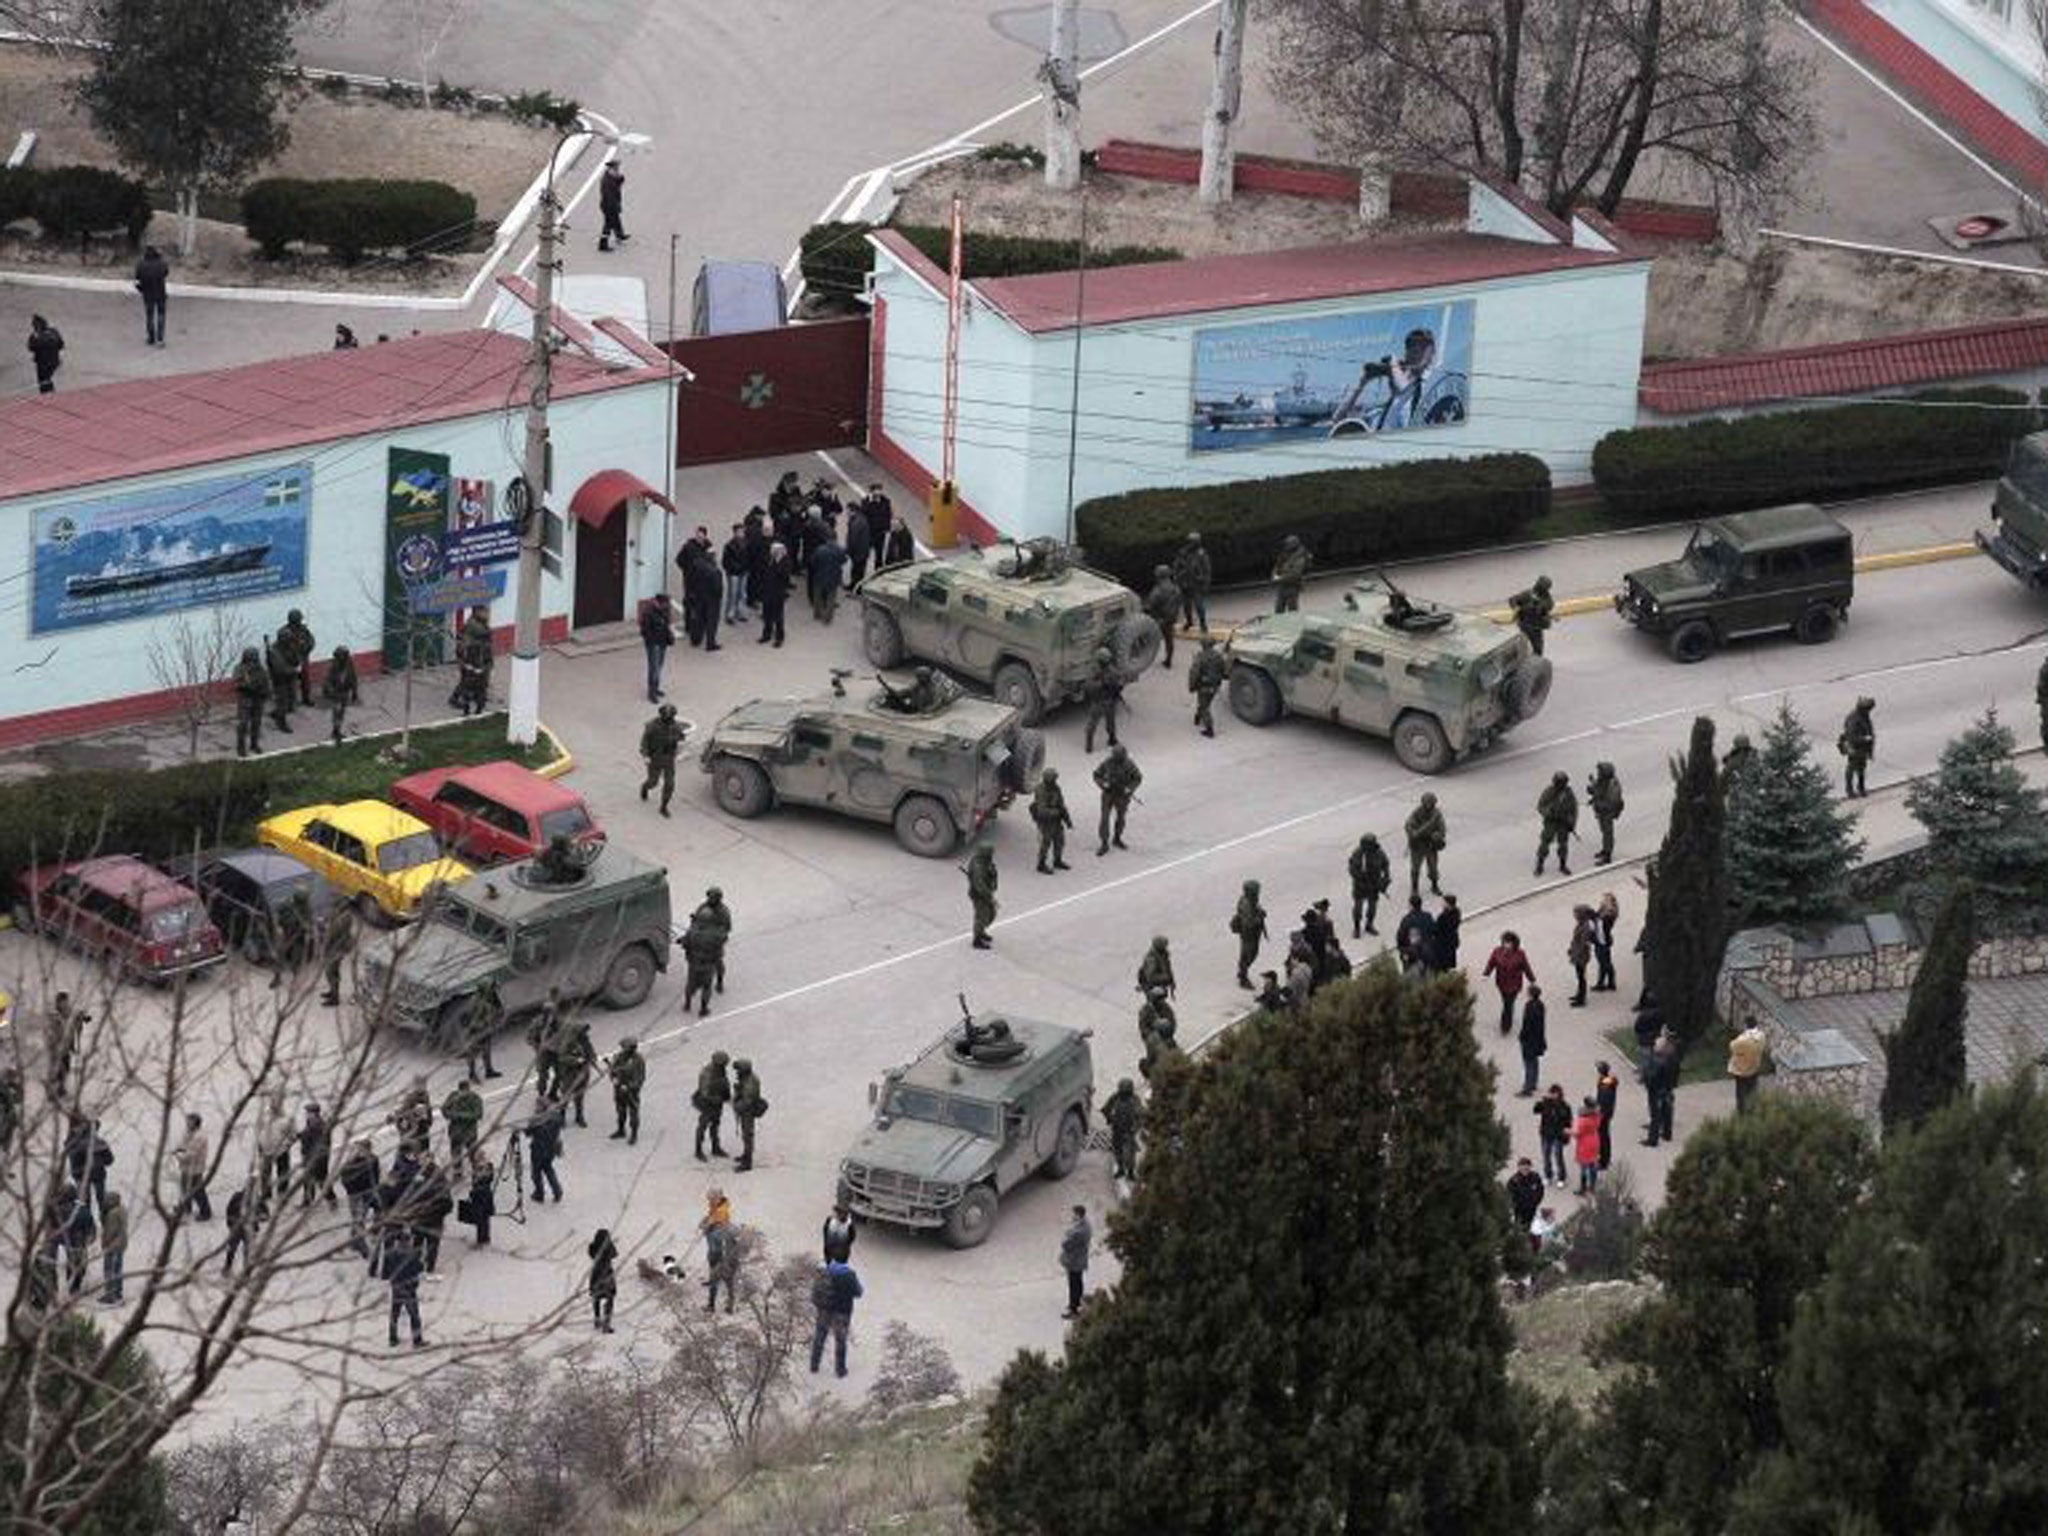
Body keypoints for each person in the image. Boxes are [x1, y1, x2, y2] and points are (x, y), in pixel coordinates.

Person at [809, 1255, 864, 1376]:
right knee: (840, 1340)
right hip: (842, 1312)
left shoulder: (823, 1273)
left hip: (824, 1310)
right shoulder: (849, 1275)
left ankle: (814, 1365)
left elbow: (814, 1294)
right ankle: (840, 1369)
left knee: (819, 1337)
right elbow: (858, 1292)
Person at [638, 702, 689, 818]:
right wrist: (645, 755)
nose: (670, 720)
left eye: (671, 717)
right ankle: (645, 788)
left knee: (670, 784)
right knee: (653, 782)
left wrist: (682, 747)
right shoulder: (652, 726)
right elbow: (644, 741)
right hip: (655, 758)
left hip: (669, 759)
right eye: (667, 718)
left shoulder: (675, 726)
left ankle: (663, 807)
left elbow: (682, 737)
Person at [1484, 930, 1536, 1037]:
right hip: (1501, 983)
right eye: (1504, 942)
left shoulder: (1520, 954)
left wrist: (1532, 979)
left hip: (1514, 985)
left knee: (1508, 1004)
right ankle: (1506, 1020)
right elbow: (1491, 963)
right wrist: (1486, 974)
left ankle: (1505, 1026)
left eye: (1509, 942)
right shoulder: (1497, 951)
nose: (1506, 945)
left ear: (1514, 943)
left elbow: (1526, 967)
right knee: (1506, 1002)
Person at [1093, 743, 1142, 855]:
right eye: (1115, 756)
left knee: (1121, 818)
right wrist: (1103, 784)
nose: (1117, 759)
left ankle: (1117, 838)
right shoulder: (1107, 762)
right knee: (1104, 819)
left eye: (1119, 757)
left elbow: (1138, 778)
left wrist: (1129, 789)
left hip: (1122, 796)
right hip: (1108, 794)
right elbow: (1096, 775)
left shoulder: (1129, 764)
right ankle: (1104, 843)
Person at [384, 1226, 425, 1349]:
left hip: (396, 1288)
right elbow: (419, 1268)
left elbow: (386, 1272)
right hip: (409, 1288)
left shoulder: (391, 1254)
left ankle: (392, 1338)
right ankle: (417, 1340)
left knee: (394, 1314)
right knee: (414, 1315)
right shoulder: (412, 1255)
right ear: (407, 1241)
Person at [339, 1138, 379, 1257]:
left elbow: (375, 1177)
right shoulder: (351, 1162)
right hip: (355, 1194)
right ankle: (361, 1247)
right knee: (358, 1219)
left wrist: (373, 1190)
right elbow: (344, 1177)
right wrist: (350, 1190)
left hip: (365, 1193)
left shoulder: (373, 1160)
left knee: (359, 1219)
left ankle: (354, 1241)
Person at [1346, 832, 1391, 939]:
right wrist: (1361, 878)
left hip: (1374, 884)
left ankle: (1369, 925)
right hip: (1360, 885)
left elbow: (1386, 865)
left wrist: (1385, 879)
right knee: (1358, 908)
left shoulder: (1379, 853)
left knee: (1372, 907)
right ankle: (1356, 928)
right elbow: (1352, 869)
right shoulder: (1357, 853)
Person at [701, 1189, 738, 1313]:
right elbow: (710, 1219)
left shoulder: (721, 1224)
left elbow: (725, 1245)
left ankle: (723, 1306)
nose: (709, 1201)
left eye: (711, 1199)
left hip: (723, 1258)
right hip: (716, 1254)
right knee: (718, 1279)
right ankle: (718, 1305)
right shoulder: (716, 1210)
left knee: (726, 1280)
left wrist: (724, 1261)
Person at [1030, 767, 1073, 873]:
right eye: (1054, 778)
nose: (1055, 780)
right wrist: (1056, 812)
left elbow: (1061, 804)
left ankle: (1057, 860)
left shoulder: (1056, 788)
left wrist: (1067, 820)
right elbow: (1041, 810)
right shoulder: (1041, 791)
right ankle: (1041, 864)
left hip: (1056, 821)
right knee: (1046, 843)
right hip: (1045, 822)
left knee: (1060, 841)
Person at [1536, 770, 1578, 876]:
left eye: (1562, 783)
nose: (1561, 785)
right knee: (1544, 844)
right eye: (1559, 782)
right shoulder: (1549, 792)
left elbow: (1574, 809)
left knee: (1563, 845)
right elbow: (1541, 806)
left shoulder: (1568, 793)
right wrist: (1549, 812)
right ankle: (1540, 865)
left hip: (1563, 823)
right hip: (1551, 822)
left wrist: (1572, 823)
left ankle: (1563, 865)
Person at [452, 610, 493, 716]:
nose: (487, 615)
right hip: (472, 663)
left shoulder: (471, 626)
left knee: (467, 682)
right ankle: (466, 704)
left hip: (472, 662)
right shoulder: (478, 632)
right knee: (471, 684)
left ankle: (463, 701)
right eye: (485, 613)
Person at [693, 1051, 732, 1162]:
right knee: (703, 1126)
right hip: (707, 1104)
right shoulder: (706, 1073)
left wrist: (726, 1096)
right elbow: (704, 1092)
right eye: (723, 1063)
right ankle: (698, 1150)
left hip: (717, 1102)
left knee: (715, 1125)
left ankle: (716, 1148)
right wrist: (715, 1099)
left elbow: (724, 1082)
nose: (725, 1066)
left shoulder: (721, 1070)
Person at [1082, 646, 1123, 754]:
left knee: (1111, 722)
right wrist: (1102, 684)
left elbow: (1118, 678)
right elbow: (1088, 685)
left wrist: (1117, 686)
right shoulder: (1094, 670)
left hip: (1110, 700)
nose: (1106, 662)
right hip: (1099, 701)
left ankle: (1112, 739)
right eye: (1104, 660)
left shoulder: (1111, 669)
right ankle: (1089, 745)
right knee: (1092, 724)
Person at [1642, 1030, 1679, 1147]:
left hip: (1656, 1091)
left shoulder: (1658, 1061)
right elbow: (1676, 1073)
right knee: (1667, 1111)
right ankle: (1667, 1134)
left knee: (1655, 1114)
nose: (1654, 1047)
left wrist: (1646, 1077)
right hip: (1668, 1088)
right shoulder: (1673, 1058)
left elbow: (1651, 1077)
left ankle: (1652, 1139)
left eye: (1656, 1045)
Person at [1404, 793, 1446, 897]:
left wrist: (1436, 836)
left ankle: (1434, 886)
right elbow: (1408, 824)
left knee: (1433, 868)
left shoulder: (1437, 815)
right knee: (1415, 868)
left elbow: (1442, 830)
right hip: (1418, 845)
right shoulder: (1417, 812)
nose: (1429, 805)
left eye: (1431, 803)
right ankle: (1414, 889)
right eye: (1427, 803)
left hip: (1430, 845)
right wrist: (1413, 833)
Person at [232, 645, 269, 757]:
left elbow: (265, 680)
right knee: (243, 724)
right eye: (251, 657)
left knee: (256, 723)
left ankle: (254, 744)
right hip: (245, 700)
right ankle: (241, 747)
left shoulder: (260, 668)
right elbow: (237, 683)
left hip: (258, 699)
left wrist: (265, 692)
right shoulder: (239, 668)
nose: (253, 660)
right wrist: (248, 686)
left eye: (255, 657)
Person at [1143, 564, 1182, 669]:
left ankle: (1144, 659)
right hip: (1171, 618)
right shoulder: (1175, 588)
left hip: (1159, 619)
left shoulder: (1158, 590)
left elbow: (1150, 605)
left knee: (1147, 638)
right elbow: (1179, 602)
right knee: (1169, 640)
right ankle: (1169, 660)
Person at [731, 1058, 767, 1172]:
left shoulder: (750, 1082)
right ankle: (745, 1155)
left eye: (739, 1070)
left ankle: (747, 1162)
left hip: (748, 1111)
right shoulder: (746, 1078)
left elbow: (748, 1101)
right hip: (745, 1110)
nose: (737, 1072)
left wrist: (737, 1106)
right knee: (745, 1134)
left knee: (747, 1135)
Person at [608, 1035, 646, 1144]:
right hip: (619, 1088)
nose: (624, 1049)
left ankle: (634, 1134)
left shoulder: (638, 1060)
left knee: (633, 1113)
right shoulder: (619, 1056)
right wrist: (614, 1079)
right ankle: (621, 1130)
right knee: (620, 1111)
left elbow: (640, 1077)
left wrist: (629, 1087)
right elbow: (612, 1070)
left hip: (631, 1092)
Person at [1172, 530, 1212, 633]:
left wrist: (1206, 583)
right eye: (1192, 541)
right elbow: (1176, 566)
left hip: (1196, 583)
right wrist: (1177, 579)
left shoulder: (1201, 553)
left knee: (1199, 605)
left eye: (1195, 541)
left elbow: (1207, 569)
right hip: (1185, 583)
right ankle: (1189, 622)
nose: (1193, 543)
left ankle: (1203, 624)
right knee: (1186, 605)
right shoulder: (1183, 552)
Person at [317, 900, 355, 1008]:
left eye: (335, 907)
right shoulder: (346, 915)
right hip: (339, 948)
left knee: (331, 972)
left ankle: (334, 998)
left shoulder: (341, 919)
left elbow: (331, 935)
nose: (333, 909)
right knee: (334, 972)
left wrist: (322, 927)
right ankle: (333, 992)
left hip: (336, 949)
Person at [640, 592, 676, 703]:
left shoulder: (664, 611)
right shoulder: (649, 613)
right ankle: (651, 692)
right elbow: (645, 630)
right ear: (660, 602)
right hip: (653, 644)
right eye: (667, 603)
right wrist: (651, 641)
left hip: (662, 643)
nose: (668, 606)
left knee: (659, 666)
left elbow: (668, 625)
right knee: (653, 668)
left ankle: (656, 688)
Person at [1103, 1078, 1143, 1181]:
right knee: (1118, 1151)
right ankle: (1121, 1170)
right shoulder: (1115, 1097)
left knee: (1130, 1153)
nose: (1124, 1093)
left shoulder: (1135, 1099)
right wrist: (1110, 1119)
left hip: (1129, 1130)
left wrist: (1136, 1127)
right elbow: (1105, 1109)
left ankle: (1130, 1172)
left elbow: (1140, 1114)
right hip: (1117, 1128)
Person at [1231, 879, 1267, 989]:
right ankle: (1243, 977)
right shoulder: (1247, 905)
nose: (1258, 892)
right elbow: (1248, 924)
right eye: (1256, 890)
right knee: (1249, 955)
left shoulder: (1249, 899)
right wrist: (1259, 917)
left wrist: (1260, 912)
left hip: (1251, 934)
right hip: (1249, 935)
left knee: (1247, 955)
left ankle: (1242, 971)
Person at [527, 1096, 564, 1203]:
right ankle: (557, 1191)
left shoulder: (536, 1119)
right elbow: (561, 1123)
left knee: (536, 1173)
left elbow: (528, 1132)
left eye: (537, 1105)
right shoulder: (555, 1116)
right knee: (549, 1169)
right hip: (551, 1149)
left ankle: (539, 1193)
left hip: (538, 1150)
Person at [1187, 636, 1227, 736]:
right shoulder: (1218, 656)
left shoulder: (1200, 656)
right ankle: (1198, 717)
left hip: (1204, 686)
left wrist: (1191, 686)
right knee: (1206, 703)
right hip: (1215, 685)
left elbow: (1194, 673)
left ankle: (1209, 729)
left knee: (1205, 706)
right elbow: (1224, 670)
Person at [1587, 762, 1624, 865]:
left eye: (1600, 771)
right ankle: (1604, 850)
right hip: (1601, 811)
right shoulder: (1603, 781)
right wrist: (1592, 789)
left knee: (1608, 833)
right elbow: (1598, 788)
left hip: (1607, 812)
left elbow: (1611, 802)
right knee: (1604, 831)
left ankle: (1607, 856)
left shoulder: (1613, 785)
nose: (1598, 773)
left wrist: (1599, 803)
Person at [1534, 1084, 1572, 1188]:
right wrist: (1542, 1100)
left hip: (1558, 1134)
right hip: (1546, 1134)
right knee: (1546, 1156)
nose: (1553, 1095)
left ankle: (1561, 1177)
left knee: (1558, 1156)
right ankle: (1548, 1175)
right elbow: (1536, 1110)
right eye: (1552, 1093)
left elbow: (1568, 1121)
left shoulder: (1564, 1106)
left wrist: (1567, 1134)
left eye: (1555, 1093)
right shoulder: (1546, 1104)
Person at [1838, 696, 1876, 798]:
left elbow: (1869, 730)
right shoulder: (1854, 718)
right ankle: (1850, 791)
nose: (1869, 711)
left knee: (1861, 769)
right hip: (1854, 747)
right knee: (1852, 768)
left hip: (1862, 748)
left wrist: (1870, 750)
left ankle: (1861, 788)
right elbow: (1851, 736)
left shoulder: (1864, 716)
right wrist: (1865, 739)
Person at [1058, 1204, 1092, 1318]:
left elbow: (1066, 1244)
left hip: (1074, 1261)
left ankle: (1074, 1309)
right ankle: (1077, 1304)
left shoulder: (1079, 1231)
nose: (1072, 1216)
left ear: (1078, 1215)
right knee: (1078, 1282)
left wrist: (1066, 1236)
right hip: (1079, 1259)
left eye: (1073, 1214)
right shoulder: (1086, 1225)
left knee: (1074, 1285)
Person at [297, 1102, 333, 1208]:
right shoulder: (311, 1123)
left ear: (314, 1113)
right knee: (309, 1180)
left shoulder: (319, 1126)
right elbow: (305, 1134)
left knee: (320, 1180)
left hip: (318, 1157)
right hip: (310, 1156)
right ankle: (308, 1200)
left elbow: (320, 1142)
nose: (306, 1114)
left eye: (308, 1112)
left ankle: (331, 1198)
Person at [322, 645, 359, 746]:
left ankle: (336, 730)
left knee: (341, 712)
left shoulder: (349, 663)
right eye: (342, 656)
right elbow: (327, 682)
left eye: (346, 656)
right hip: (336, 693)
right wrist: (332, 693)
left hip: (345, 691)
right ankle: (336, 732)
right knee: (337, 712)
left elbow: (353, 677)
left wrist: (355, 692)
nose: (344, 658)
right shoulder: (332, 666)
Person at [459, 1146, 496, 1247]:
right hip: (482, 1195)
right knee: (484, 1218)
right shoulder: (478, 1166)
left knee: (482, 1218)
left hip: (482, 1196)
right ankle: (484, 1238)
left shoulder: (486, 1166)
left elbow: (486, 1180)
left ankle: (482, 1239)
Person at [442, 1078, 483, 1167]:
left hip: (469, 1131)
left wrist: (459, 1116)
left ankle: (476, 1171)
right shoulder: (453, 1096)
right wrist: (454, 1115)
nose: (463, 1093)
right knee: (456, 1155)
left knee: (473, 1154)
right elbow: (444, 1110)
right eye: (461, 1091)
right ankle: (457, 1173)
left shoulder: (475, 1098)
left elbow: (478, 1114)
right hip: (456, 1131)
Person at [756, 542, 791, 646]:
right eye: (773, 551)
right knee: (767, 615)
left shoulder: (786, 562)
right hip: (767, 592)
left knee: (778, 617)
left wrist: (778, 562)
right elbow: (762, 572)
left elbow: (784, 575)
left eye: (775, 551)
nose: (773, 553)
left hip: (778, 593)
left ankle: (779, 637)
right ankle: (766, 634)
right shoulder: (768, 560)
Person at [1728, 1022, 1768, 1114]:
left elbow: (1732, 1046)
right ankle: (1752, 1109)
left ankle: (1742, 1112)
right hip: (1754, 1067)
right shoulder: (1761, 1036)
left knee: (1741, 1092)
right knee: (1752, 1089)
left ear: (1746, 1025)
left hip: (1741, 1070)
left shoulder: (1743, 1039)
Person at [1510, 575, 1555, 655]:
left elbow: (1548, 606)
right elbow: (1513, 600)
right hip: (1524, 624)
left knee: (1538, 648)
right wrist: (1516, 608)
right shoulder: (1528, 594)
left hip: (1535, 627)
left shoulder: (1547, 599)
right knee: (1522, 646)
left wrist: (1538, 606)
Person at [966, 840, 998, 950]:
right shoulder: (978, 867)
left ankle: (981, 932)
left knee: (990, 914)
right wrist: (990, 897)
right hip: (980, 895)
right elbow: (980, 886)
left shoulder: (984, 861)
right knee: (981, 917)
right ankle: (977, 940)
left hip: (985, 893)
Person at [97, 1190, 127, 1304]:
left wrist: (104, 1244)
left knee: (110, 1269)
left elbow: (110, 1231)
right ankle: (118, 1292)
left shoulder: (112, 1214)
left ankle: (111, 1294)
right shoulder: (122, 1210)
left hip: (113, 1245)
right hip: (121, 1243)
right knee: (118, 1269)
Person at [1394, 895, 1435, 976]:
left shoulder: (1407, 920)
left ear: (1411, 906)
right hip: (1427, 952)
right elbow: (1434, 931)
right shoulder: (1428, 916)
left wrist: (1402, 951)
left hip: (1412, 954)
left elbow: (1400, 937)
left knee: (1411, 978)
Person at [588, 1229, 619, 1333]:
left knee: (596, 1297)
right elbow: (615, 1254)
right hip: (607, 1273)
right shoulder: (609, 1247)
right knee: (610, 1297)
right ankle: (606, 1323)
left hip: (596, 1274)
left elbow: (591, 1254)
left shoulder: (592, 1246)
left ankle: (597, 1319)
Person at [1271, 533, 1311, 612]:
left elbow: (1295, 574)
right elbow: (1277, 565)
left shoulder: (1300, 557)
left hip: (1292, 586)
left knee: (1292, 609)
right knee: (1278, 608)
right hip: (1282, 585)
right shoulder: (1285, 554)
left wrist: (1280, 578)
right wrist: (1274, 575)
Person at [1573, 1096, 1603, 1195]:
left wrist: (1567, 1131)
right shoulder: (1597, 1116)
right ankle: (1592, 1187)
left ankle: (1583, 1188)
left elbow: (1578, 1133)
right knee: (1593, 1164)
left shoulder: (1584, 1119)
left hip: (1584, 1144)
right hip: (1594, 1140)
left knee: (1583, 1167)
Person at [721, 523, 751, 623]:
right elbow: (725, 561)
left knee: (742, 593)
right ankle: (730, 613)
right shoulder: (729, 545)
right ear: (735, 533)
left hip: (744, 571)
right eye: (739, 532)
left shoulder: (747, 543)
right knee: (733, 593)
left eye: (742, 531)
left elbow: (750, 557)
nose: (741, 533)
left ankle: (741, 612)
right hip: (733, 573)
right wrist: (734, 568)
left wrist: (747, 567)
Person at [1567, 906, 1596, 1007]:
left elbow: (1583, 943)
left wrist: (1576, 953)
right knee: (1579, 976)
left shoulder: (1585, 926)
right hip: (1578, 953)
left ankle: (1581, 999)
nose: (1574, 915)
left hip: (1581, 956)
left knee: (1581, 977)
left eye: (1576, 913)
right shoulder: (1581, 924)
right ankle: (1579, 995)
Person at [27, 314, 63, 393]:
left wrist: (36, 340)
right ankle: (51, 394)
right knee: (47, 379)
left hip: (42, 364)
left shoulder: (35, 335)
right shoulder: (54, 331)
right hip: (54, 362)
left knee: (43, 382)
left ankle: (49, 396)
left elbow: (31, 348)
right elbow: (61, 345)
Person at [597, 158, 628, 250]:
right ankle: (603, 244)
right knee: (608, 225)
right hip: (609, 206)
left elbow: (618, 183)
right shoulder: (607, 181)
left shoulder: (612, 177)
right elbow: (609, 197)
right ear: (611, 168)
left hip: (612, 204)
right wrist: (615, 207)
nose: (618, 169)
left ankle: (620, 235)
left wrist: (620, 178)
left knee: (616, 220)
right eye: (616, 168)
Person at [1595, 1059, 1620, 1168]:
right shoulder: (1608, 1081)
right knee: (1605, 1136)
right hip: (1607, 1113)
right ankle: (1605, 1157)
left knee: (1602, 1137)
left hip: (1604, 1114)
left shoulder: (1605, 1085)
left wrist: (1600, 1114)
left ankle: (1603, 1161)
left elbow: (1603, 1101)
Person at [1434, 894, 1463, 972]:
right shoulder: (1457, 912)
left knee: (1443, 961)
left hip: (1443, 942)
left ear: (1448, 904)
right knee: (1451, 957)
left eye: (1443, 902)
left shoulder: (1443, 916)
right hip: (1453, 939)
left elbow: (1437, 929)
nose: (1442, 904)